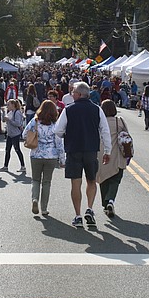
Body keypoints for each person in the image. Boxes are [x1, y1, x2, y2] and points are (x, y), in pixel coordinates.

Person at [54, 82, 111, 228]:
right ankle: (90, 209)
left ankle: (78, 215)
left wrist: (67, 134)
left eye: (73, 92)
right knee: (91, 180)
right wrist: (107, 151)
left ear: (79, 94)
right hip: (91, 149)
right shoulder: (97, 109)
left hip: (73, 149)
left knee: (76, 182)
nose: (72, 94)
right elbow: (105, 131)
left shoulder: (68, 110)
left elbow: (58, 131)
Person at [23, 100, 65, 216]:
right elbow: (59, 143)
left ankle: (34, 199)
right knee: (47, 182)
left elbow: (24, 134)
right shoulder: (56, 125)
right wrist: (62, 160)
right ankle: (44, 208)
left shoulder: (35, 121)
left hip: (36, 154)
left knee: (35, 180)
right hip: (51, 156)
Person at [96, 100, 128, 218]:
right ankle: (110, 201)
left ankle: (105, 203)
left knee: (102, 178)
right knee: (115, 179)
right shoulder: (118, 121)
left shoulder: (98, 122)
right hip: (117, 155)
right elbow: (126, 137)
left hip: (101, 154)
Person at [1, 99, 26, 172]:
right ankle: (5, 166)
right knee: (7, 150)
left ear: (13, 105)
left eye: (8, 104)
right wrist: (3, 113)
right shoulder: (10, 112)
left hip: (15, 134)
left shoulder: (17, 112)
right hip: (9, 134)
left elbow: (18, 123)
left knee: (17, 149)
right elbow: (4, 120)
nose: (7, 106)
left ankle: (23, 166)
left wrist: (9, 120)